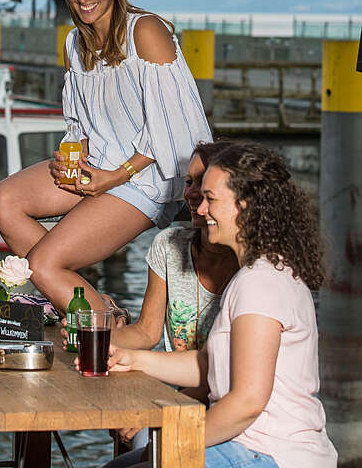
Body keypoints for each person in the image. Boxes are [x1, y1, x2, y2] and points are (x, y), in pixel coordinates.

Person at [0, 0, 211, 313]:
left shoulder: (146, 32)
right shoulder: (74, 45)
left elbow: (177, 132)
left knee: (42, 265)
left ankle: (102, 328)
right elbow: (80, 125)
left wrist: (115, 176)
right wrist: (71, 157)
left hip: (146, 176)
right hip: (101, 165)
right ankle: (90, 300)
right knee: (1, 200)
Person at [107, 142, 338, 468]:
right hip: (252, 445)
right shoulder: (258, 273)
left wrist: (170, 440)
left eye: (211, 200)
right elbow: (208, 363)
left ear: (244, 206)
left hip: (272, 453)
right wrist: (131, 358)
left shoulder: (261, 282)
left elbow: (247, 402)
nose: (201, 210)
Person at [101, 140, 237, 467]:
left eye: (203, 185)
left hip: (224, 406)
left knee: (140, 444)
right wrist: (90, 337)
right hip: (180, 397)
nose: (191, 193)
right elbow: (148, 332)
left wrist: (160, 409)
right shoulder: (169, 245)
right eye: (188, 182)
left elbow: (233, 378)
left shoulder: (251, 268)